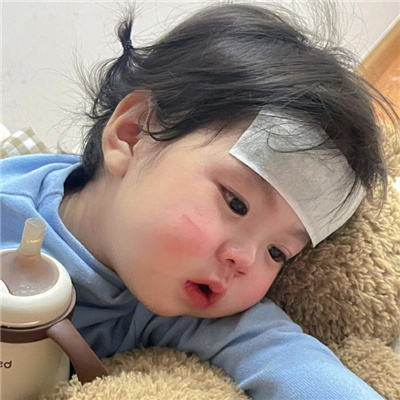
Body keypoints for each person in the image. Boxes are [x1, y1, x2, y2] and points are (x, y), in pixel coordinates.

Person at [1, 3, 396, 399]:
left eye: (277, 252)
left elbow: (283, 356)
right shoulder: (9, 213)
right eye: (236, 203)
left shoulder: (184, 301)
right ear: (132, 136)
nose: (245, 261)